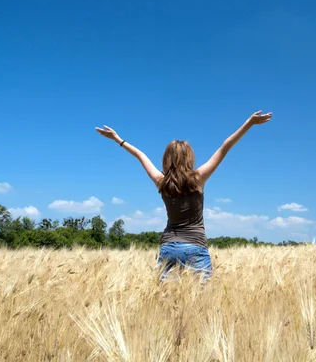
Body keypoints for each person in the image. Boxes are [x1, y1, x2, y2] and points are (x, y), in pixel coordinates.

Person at [95, 110, 273, 281]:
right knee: (200, 302)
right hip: (195, 246)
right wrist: (250, 123)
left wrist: (117, 139)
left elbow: (140, 155)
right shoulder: (198, 178)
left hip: (168, 247)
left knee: (166, 300)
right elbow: (225, 147)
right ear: (189, 158)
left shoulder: (161, 181)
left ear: (166, 159)